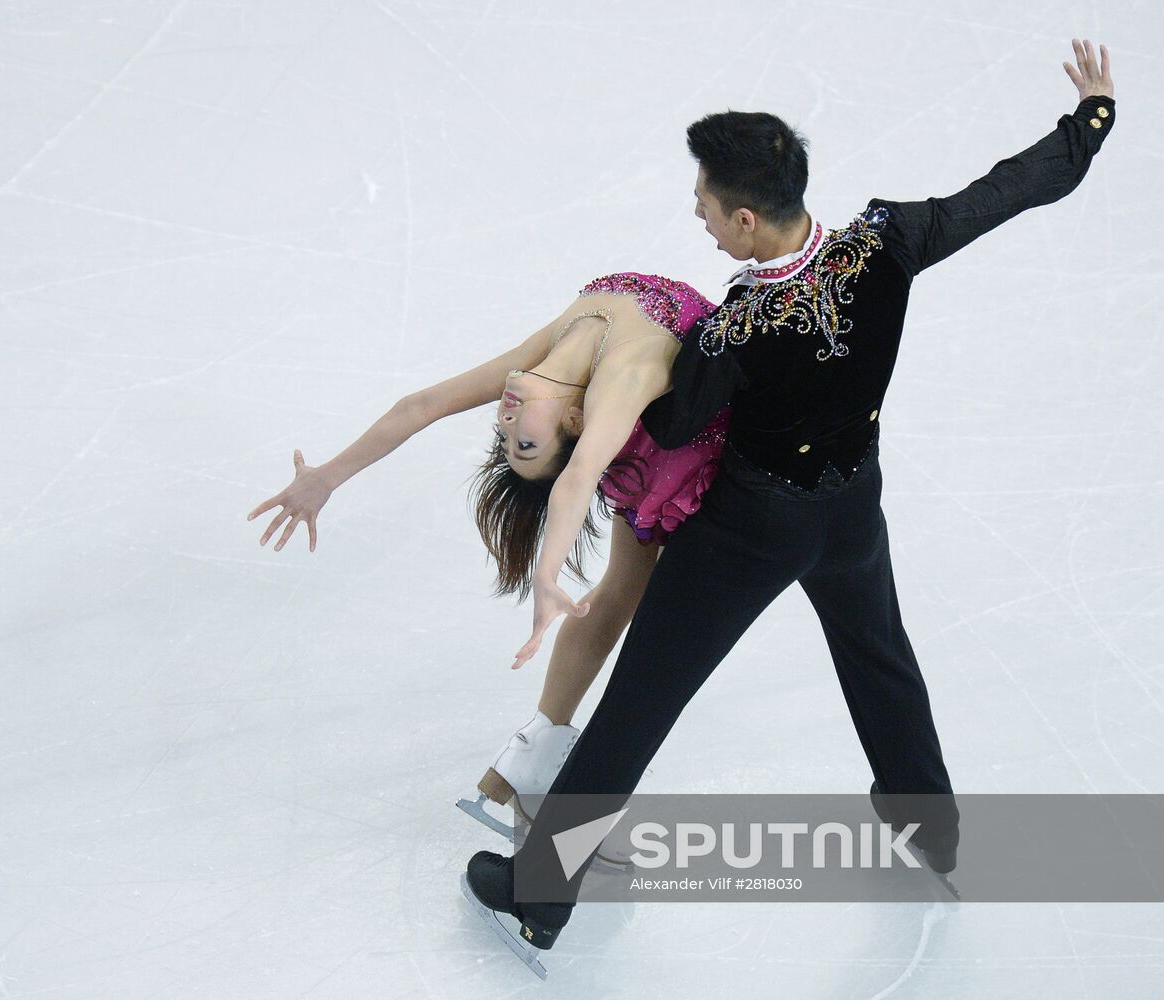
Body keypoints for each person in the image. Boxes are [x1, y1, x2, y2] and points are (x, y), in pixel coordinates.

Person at [464, 38, 1117, 974]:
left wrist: (619, 353)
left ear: (744, 216)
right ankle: (929, 832)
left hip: (749, 534)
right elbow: (1004, 191)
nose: (698, 220)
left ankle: (538, 898)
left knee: (639, 704)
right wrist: (1087, 125)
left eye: (705, 209)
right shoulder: (886, 239)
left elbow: (681, 415)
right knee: (881, 658)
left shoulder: (733, 325)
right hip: (852, 508)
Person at [246, 272, 731, 836]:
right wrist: (547, 576)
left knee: (628, 590)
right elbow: (577, 476)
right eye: (524, 442)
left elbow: (423, 403)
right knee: (630, 591)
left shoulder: (549, 356)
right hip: (680, 452)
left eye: (507, 441)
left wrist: (327, 477)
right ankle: (546, 759)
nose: (503, 421)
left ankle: (533, 758)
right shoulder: (620, 379)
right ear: (575, 420)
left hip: (682, 438)